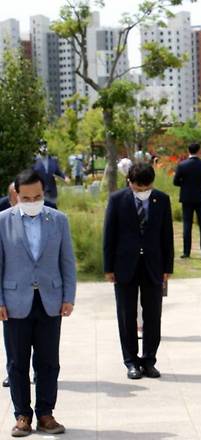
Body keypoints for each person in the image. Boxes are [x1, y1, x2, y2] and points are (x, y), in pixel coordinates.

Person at [0, 169, 76, 436]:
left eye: (38, 197)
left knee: (48, 362)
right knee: (17, 362)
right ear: (16, 196)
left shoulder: (58, 220)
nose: (32, 202)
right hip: (14, 301)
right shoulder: (2, 221)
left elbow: (67, 261)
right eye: (26, 197)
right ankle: (22, 415)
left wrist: (69, 297)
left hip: (50, 301)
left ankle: (46, 414)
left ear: (44, 194)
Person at [103, 163, 174, 380]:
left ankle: (149, 360)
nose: (142, 191)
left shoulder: (161, 199)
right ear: (129, 182)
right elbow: (109, 234)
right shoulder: (117, 199)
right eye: (138, 187)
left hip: (153, 265)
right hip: (125, 266)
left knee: (153, 314)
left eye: (146, 187)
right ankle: (131, 361)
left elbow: (167, 234)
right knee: (126, 315)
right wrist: (108, 267)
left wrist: (167, 267)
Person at [173, 143, 201, 259]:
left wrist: (185, 184)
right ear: (199, 151)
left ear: (188, 151)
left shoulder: (182, 165)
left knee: (187, 225)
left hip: (186, 197)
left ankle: (186, 252)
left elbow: (175, 182)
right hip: (200, 197)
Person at [32, 140, 66, 207]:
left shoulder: (53, 160)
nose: (44, 148)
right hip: (39, 191)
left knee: (52, 211)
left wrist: (65, 177)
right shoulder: (34, 161)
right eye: (41, 146)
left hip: (52, 191)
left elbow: (58, 171)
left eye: (45, 146)